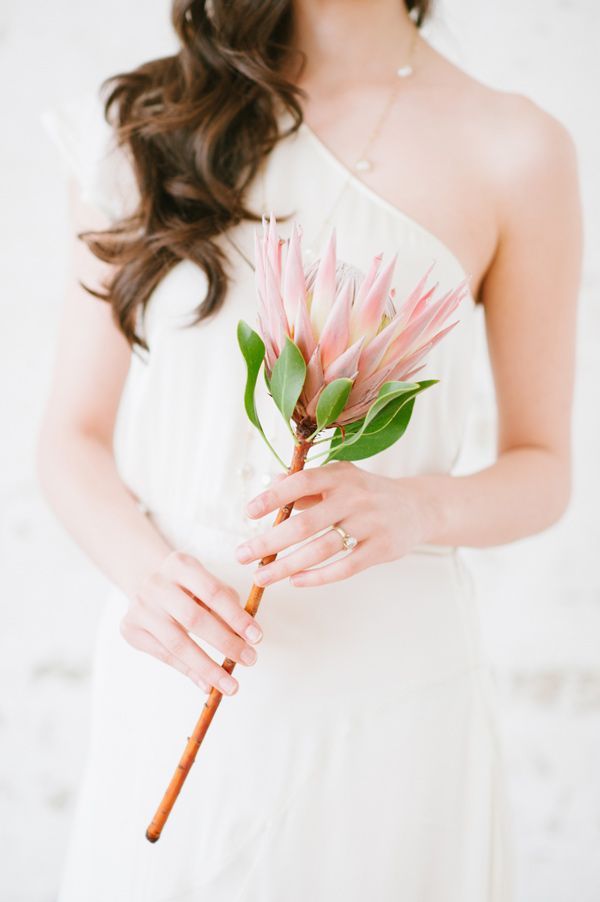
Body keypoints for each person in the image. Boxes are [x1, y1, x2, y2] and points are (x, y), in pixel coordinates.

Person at [38, 1, 582, 899]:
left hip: (392, 696)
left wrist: (417, 507)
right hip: (172, 665)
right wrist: (144, 574)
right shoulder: (154, 124)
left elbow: (544, 466)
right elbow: (69, 436)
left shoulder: (517, 148)